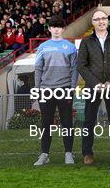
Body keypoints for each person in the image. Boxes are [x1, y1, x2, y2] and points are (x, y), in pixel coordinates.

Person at [77, 10, 110, 165]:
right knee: (89, 120)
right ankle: (87, 153)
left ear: (107, 21)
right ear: (93, 22)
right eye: (97, 19)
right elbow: (81, 66)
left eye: (104, 18)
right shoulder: (86, 42)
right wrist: (96, 83)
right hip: (93, 87)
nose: (101, 21)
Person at [33, 17, 78, 166]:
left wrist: (71, 89)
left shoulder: (70, 47)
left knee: (67, 123)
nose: (57, 29)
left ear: (63, 29)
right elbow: (38, 68)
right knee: (46, 123)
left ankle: (68, 153)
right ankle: (45, 154)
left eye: (59, 26)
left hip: (64, 88)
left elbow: (74, 69)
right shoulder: (42, 47)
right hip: (46, 89)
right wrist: (38, 89)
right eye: (54, 26)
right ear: (50, 29)